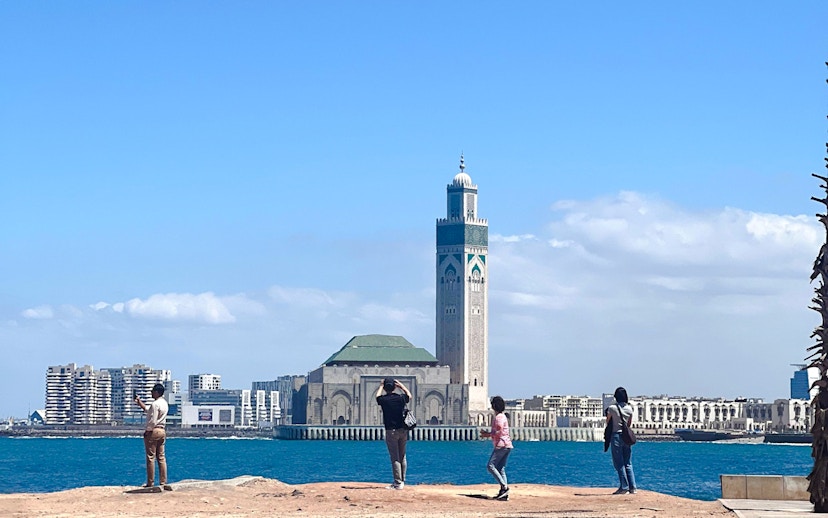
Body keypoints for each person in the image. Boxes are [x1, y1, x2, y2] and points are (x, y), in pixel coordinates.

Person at [375, 378, 412, 489]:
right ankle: (402, 480)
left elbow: (377, 397)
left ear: (385, 388)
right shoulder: (400, 398)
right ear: (395, 387)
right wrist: (401, 385)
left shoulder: (384, 400)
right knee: (402, 456)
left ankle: (397, 482)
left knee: (395, 457)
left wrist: (381, 386)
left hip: (391, 431)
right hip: (403, 430)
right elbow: (409, 395)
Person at [134, 383, 171, 490]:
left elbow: (152, 419)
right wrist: (139, 403)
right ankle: (163, 481)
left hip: (154, 430)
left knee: (150, 457)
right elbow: (149, 411)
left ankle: (150, 482)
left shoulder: (155, 404)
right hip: (162, 430)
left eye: (152, 391)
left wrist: (147, 431)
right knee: (161, 457)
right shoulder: (164, 403)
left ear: (156, 392)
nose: (151, 393)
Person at [480, 395, 513, 500]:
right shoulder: (503, 416)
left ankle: (504, 487)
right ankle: (504, 493)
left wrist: (487, 434)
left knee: (490, 466)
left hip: (501, 445)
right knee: (501, 468)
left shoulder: (498, 418)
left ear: (494, 406)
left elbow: (498, 431)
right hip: (507, 445)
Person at [606, 386, 636, 494]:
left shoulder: (612, 408)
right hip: (626, 437)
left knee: (619, 463)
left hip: (616, 436)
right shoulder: (629, 409)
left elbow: (608, 421)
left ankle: (624, 487)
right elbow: (629, 424)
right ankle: (633, 487)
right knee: (628, 462)